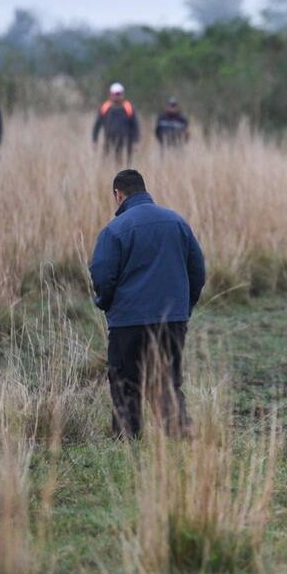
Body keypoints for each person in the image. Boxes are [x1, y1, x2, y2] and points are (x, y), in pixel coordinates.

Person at [89, 169, 206, 439]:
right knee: (167, 382)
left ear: (118, 195)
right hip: (172, 322)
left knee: (125, 383)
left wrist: (106, 304)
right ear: (144, 190)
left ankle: (127, 444)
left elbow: (103, 275)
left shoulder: (114, 230)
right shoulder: (177, 222)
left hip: (128, 322)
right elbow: (197, 272)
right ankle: (178, 440)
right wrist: (183, 309)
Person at [92, 82, 139, 162]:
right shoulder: (105, 108)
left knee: (123, 165)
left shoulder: (128, 108)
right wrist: (95, 140)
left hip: (125, 142)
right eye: (114, 94)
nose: (117, 96)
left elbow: (135, 126)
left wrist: (135, 141)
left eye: (119, 94)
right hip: (109, 140)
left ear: (122, 94)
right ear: (110, 94)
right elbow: (97, 125)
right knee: (106, 162)